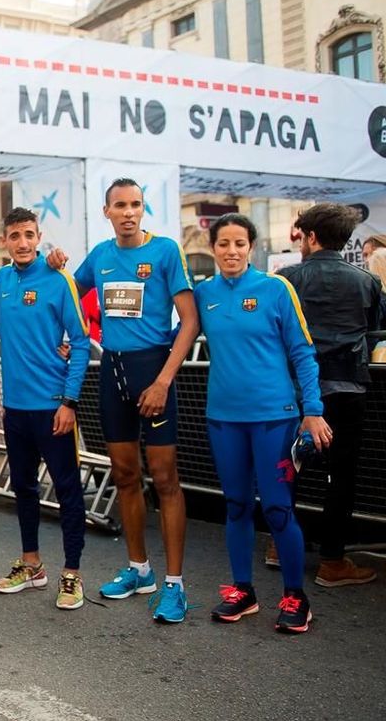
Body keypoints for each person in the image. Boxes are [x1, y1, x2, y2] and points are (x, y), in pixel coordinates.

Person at [70, 178, 198, 623]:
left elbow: (190, 321)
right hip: (112, 371)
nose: (128, 212)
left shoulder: (164, 252)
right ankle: (139, 569)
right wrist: (68, 339)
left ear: (144, 210)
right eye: (120, 205)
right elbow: (66, 296)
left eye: (136, 205)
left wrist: (163, 380)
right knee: (125, 474)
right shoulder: (101, 256)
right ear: (106, 211)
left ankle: (175, 584)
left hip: (154, 372)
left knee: (165, 478)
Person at [196, 213, 330, 633]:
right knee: (235, 505)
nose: (231, 251)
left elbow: (304, 353)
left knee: (276, 507)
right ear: (213, 248)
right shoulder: (204, 294)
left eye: (239, 244)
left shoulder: (275, 289)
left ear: (250, 247)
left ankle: (296, 597)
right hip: (224, 419)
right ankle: (243, 591)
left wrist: (313, 410)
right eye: (223, 244)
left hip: (275, 419)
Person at [0, 208, 91, 610]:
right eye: (15, 236)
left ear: (39, 235)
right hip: (16, 410)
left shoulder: (58, 278)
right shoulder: (0, 282)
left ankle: (72, 574)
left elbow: (79, 343)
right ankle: (32, 565)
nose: (23, 242)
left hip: (53, 409)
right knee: (24, 489)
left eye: (29, 234)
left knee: (67, 491)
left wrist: (69, 401)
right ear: (5, 241)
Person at [279, 203, 382, 587]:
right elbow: (374, 327)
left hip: (296, 390)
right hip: (348, 387)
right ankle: (333, 561)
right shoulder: (366, 281)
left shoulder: (288, 278)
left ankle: (280, 545)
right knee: (342, 476)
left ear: (311, 237)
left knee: (289, 468)